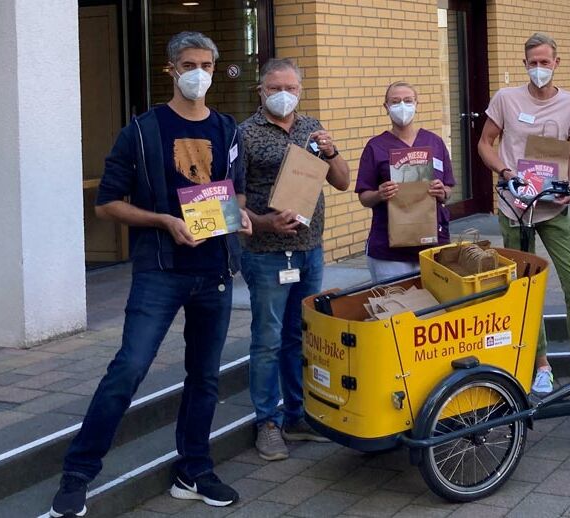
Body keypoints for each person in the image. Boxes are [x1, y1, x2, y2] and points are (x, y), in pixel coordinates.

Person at [51, 31, 251, 517]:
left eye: (206, 63)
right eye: (189, 64)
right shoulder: (140, 131)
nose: (199, 72)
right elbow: (107, 205)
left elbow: (236, 193)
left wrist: (239, 215)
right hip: (160, 271)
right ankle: (77, 473)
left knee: (204, 377)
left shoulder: (227, 130)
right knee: (129, 369)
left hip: (215, 271)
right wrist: (162, 221)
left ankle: (194, 468)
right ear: (172, 70)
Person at [239, 58, 350, 460]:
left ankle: (297, 415)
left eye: (290, 87)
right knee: (267, 340)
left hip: (309, 250)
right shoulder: (246, 134)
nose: (282, 94)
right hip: (266, 255)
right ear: (261, 90)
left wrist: (332, 150)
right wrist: (266, 224)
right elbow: (232, 202)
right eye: (274, 88)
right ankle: (266, 422)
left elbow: (342, 181)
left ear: (301, 90)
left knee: (298, 336)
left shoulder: (312, 128)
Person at [477, 33, 570, 390]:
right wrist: (507, 173)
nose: (539, 69)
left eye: (545, 62)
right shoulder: (506, 99)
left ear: (557, 63)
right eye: (533, 63)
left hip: (553, 209)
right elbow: (485, 143)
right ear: (524, 64)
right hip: (516, 209)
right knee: (525, 291)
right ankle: (540, 364)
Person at [356, 82, 455, 281]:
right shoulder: (375, 147)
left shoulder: (434, 142)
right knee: (394, 306)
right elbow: (364, 197)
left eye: (408, 100)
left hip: (432, 245)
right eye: (395, 101)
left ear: (417, 104)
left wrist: (442, 191)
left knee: (435, 306)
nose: (402, 106)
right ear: (386, 107)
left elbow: (449, 187)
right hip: (389, 250)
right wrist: (379, 194)